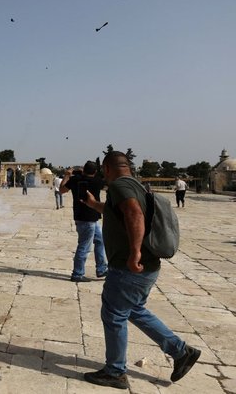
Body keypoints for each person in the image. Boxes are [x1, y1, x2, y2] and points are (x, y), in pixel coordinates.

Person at [82, 151, 201, 389]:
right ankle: (180, 351)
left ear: (106, 168)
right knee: (133, 309)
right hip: (147, 267)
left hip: (131, 267)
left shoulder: (118, 185)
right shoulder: (136, 185)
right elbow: (119, 211)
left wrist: (134, 252)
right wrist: (94, 205)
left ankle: (115, 371)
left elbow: (133, 212)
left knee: (114, 315)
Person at [59, 161, 108, 282]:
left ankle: (101, 268)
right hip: (89, 218)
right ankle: (77, 274)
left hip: (84, 217)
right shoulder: (97, 181)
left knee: (100, 240)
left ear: (83, 170)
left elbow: (61, 190)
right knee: (84, 246)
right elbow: (108, 185)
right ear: (95, 172)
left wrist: (67, 175)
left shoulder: (75, 180)